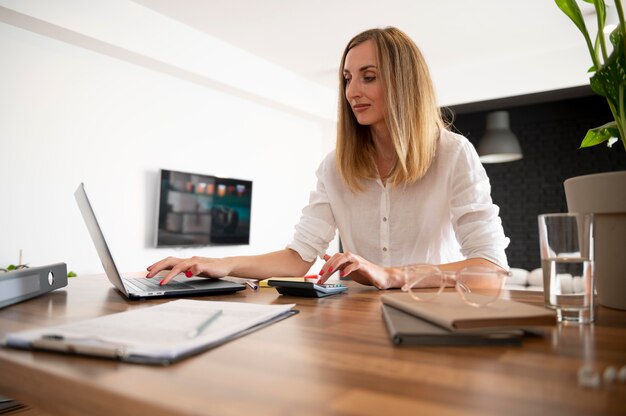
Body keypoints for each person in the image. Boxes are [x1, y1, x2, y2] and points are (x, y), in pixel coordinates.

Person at [147, 27, 509, 290]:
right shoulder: (335, 166)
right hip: (354, 322)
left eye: (368, 77)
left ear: (404, 83)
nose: (352, 92)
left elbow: (490, 268)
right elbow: (298, 256)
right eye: (347, 79)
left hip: (429, 316)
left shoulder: (453, 154)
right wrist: (219, 264)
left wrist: (395, 274)